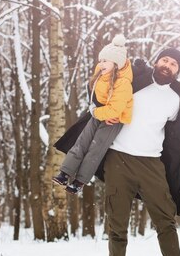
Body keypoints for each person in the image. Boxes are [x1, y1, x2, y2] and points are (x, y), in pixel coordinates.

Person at [102, 47, 180, 256]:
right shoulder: (132, 82)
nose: (168, 65)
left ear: (178, 71)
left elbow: (175, 139)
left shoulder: (176, 100)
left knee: (166, 219)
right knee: (117, 221)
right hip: (119, 158)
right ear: (156, 62)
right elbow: (102, 92)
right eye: (165, 60)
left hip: (151, 163)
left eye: (174, 64)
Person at [52, 34, 133, 194]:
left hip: (113, 119)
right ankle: (65, 173)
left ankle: (79, 181)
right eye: (100, 60)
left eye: (105, 61)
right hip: (100, 113)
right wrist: (94, 109)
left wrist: (95, 111)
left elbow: (115, 109)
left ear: (116, 63)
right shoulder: (101, 75)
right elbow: (94, 95)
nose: (100, 64)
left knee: (95, 149)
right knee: (81, 143)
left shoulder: (123, 83)